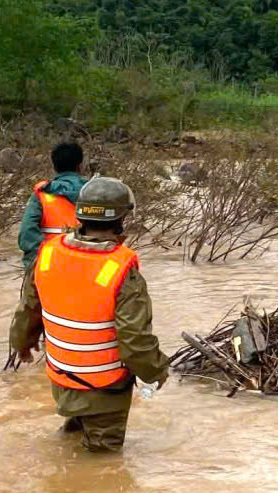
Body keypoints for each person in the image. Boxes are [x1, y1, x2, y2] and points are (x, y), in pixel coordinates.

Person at [9, 177, 170, 452]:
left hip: (63, 379)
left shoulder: (48, 254)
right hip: (105, 388)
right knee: (102, 462)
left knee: (72, 438)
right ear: (121, 218)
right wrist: (156, 372)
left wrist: (21, 345)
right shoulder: (121, 269)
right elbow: (134, 340)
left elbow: (28, 310)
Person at [18, 141, 88, 270]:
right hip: (87, 264)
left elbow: (27, 234)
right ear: (80, 166)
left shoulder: (42, 194)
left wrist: (40, 264)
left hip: (51, 267)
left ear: (54, 166)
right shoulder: (96, 192)